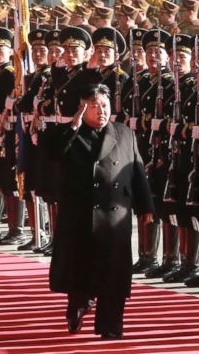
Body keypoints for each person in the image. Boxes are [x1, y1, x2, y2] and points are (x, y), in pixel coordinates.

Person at [47, 83, 154, 340]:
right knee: (80, 267)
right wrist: (73, 126)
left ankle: (111, 324)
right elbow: (53, 154)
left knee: (114, 271)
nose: (101, 112)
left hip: (115, 214)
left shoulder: (123, 133)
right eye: (94, 107)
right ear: (83, 108)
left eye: (105, 106)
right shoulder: (69, 133)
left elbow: (136, 170)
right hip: (80, 213)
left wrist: (146, 205)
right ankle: (78, 305)